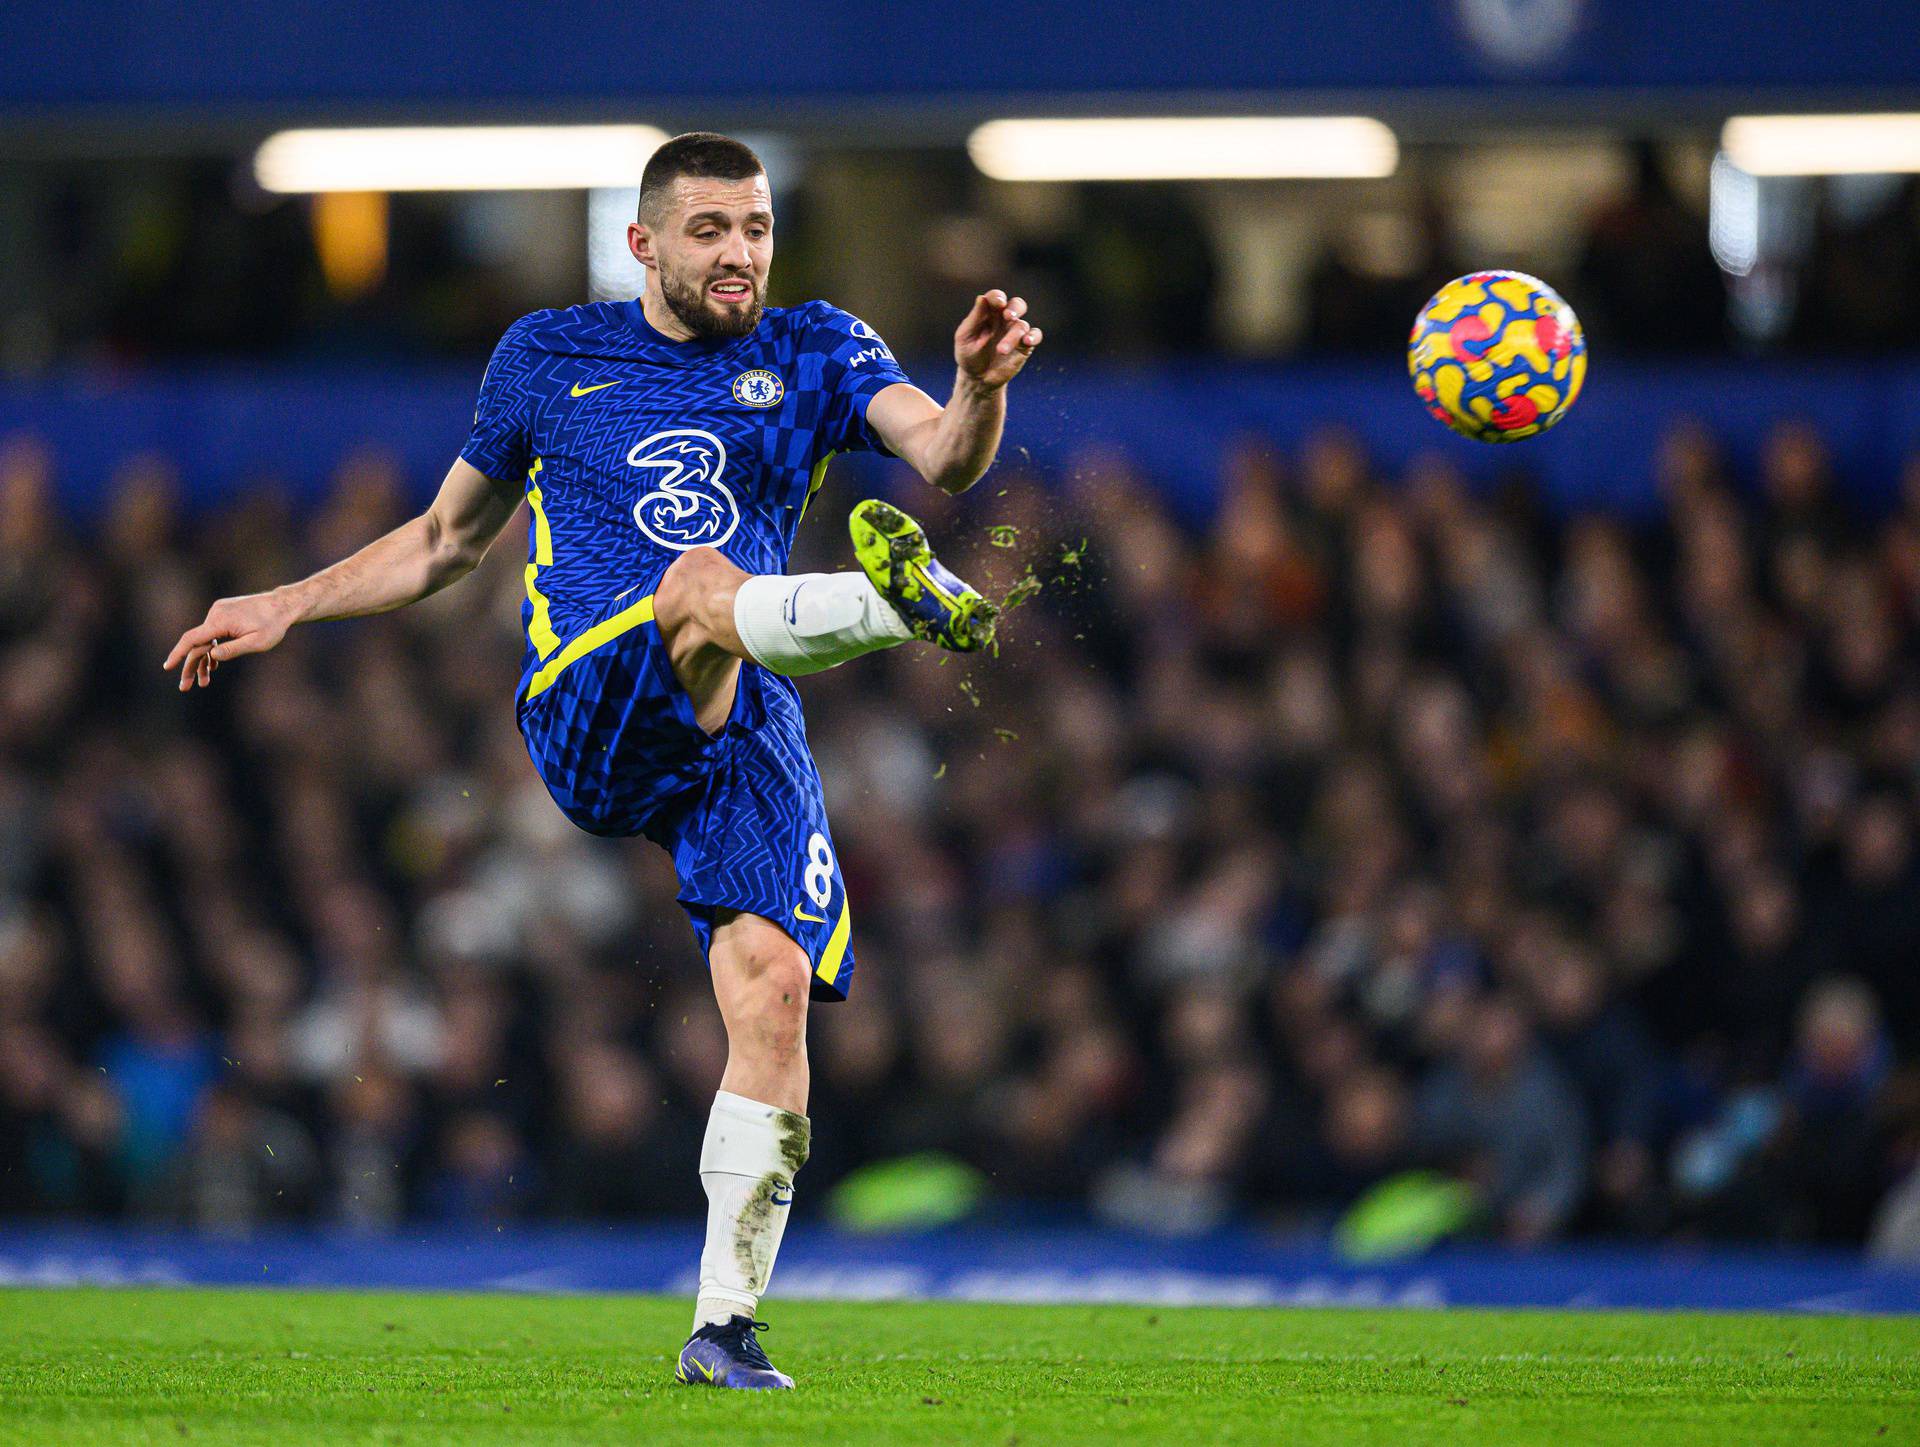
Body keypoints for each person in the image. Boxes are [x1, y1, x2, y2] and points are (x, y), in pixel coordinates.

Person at [163, 132, 1042, 1390]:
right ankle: (899, 606)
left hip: (744, 710)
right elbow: (442, 541)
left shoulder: (816, 347)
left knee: (771, 984)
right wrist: (287, 604)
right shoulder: (546, 355)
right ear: (643, 244)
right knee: (696, 584)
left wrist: (981, 384)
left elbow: (947, 454)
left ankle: (724, 1329)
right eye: (709, 232)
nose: (738, 253)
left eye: (754, 229)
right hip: (592, 694)